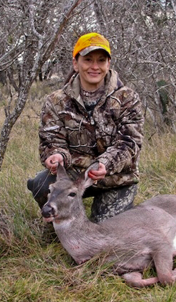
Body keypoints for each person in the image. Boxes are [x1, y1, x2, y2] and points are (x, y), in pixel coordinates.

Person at [27, 32, 144, 223]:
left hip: (117, 179)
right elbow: (50, 141)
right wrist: (56, 156)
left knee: (106, 229)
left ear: (108, 63)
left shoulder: (127, 98)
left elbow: (130, 142)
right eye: (88, 60)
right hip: (76, 176)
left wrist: (105, 164)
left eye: (101, 60)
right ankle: (63, 224)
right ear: (76, 63)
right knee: (41, 184)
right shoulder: (56, 101)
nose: (95, 66)